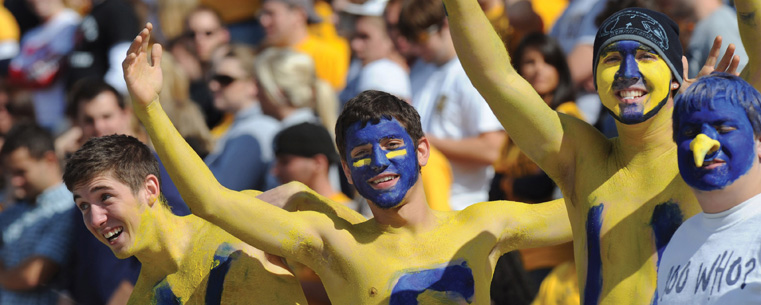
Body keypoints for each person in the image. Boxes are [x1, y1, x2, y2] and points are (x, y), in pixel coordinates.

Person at [123, 23, 572, 303]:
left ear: (422, 151)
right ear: (347, 170)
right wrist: (151, 111)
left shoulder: (483, 227)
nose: (378, 162)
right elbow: (212, 202)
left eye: (391, 146)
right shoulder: (335, 246)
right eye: (361, 155)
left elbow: (594, 205)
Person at [442, 2, 749, 303]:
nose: (628, 72)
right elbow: (497, 79)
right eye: (612, 59)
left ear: (676, 72)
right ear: (594, 79)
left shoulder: (713, 151)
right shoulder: (581, 158)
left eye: (646, 56)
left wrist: (709, 117)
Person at [63, 134, 308, 304]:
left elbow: (338, 262)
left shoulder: (241, 221)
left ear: (149, 189)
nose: (95, 219)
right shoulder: (143, 300)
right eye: (83, 206)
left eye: (105, 196)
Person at [654, 73, 761, 303]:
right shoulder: (679, 241)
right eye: (690, 133)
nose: (704, 143)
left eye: (723, 128)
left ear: (759, 141)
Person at [398, 0, 506, 210]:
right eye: (411, 39)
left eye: (421, 37)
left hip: (463, 207)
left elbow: (492, 149)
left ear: (445, 24)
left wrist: (422, 142)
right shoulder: (420, 72)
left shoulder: (471, 73)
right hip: (424, 206)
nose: (417, 47)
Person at [0, 123, 77, 304]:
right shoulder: (15, 211)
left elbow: (32, 275)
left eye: (21, 172)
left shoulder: (69, 208)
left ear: (49, 160)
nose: (15, 182)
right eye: (11, 174)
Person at [205, 45, 281, 191]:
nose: (214, 86)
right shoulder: (240, 125)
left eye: (225, 79)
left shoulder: (258, 129)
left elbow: (228, 192)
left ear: (253, 84)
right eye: (213, 77)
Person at [258, 0, 349, 90]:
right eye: (263, 13)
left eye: (271, 13)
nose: (263, 21)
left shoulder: (327, 55)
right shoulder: (264, 53)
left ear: (299, 15)